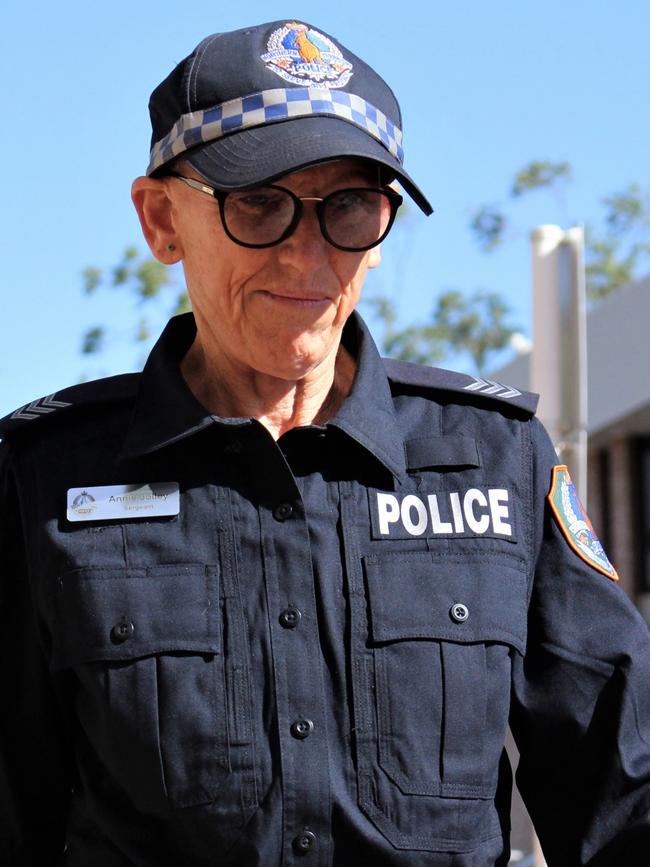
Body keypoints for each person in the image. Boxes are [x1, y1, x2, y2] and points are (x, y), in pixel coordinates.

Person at [0, 19, 648, 867]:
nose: (307, 255)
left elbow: (625, 804)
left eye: (349, 207)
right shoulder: (44, 477)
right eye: (258, 204)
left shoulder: (498, 461)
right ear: (162, 221)